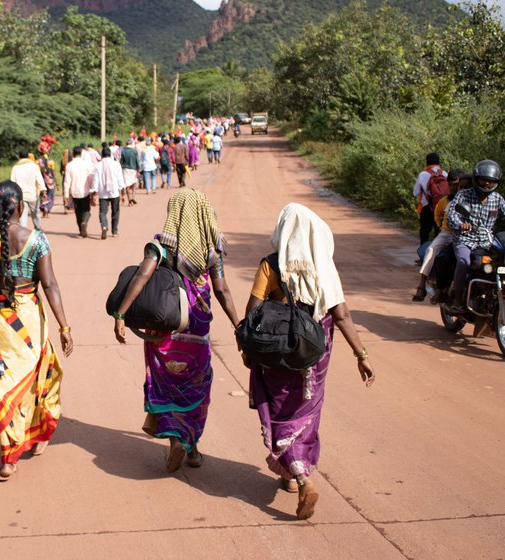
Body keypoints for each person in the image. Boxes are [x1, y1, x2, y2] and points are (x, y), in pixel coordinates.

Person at [242, 203, 375, 520]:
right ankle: (290, 475)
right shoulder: (325, 268)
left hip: (277, 357)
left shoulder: (271, 266)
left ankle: (301, 477)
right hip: (314, 358)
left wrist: (247, 348)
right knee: (305, 412)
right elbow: (341, 315)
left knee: (279, 413)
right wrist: (362, 355)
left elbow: (252, 312)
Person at [113, 189, 241, 473]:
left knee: (166, 384)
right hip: (197, 332)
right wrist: (238, 325)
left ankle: (175, 441)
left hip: (165, 332)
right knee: (195, 385)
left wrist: (121, 314)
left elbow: (143, 275)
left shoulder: (160, 248)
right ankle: (192, 447)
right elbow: (222, 290)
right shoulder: (212, 252)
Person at [0, 181, 73, 481]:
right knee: (40, 374)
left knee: (3, 383)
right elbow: (50, 285)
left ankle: (9, 457)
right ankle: (38, 432)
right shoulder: (37, 240)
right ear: (20, 205)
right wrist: (64, 326)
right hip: (30, 318)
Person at [445, 160, 504, 315]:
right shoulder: (464, 195)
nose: (487, 184)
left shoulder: (498, 199)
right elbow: (451, 215)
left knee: (497, 265)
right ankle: (457, 301)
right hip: (465, 239)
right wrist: (460, 224)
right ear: (476, 179)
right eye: (483, 179)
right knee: (464, 261)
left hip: (487, 243)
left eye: (491, 181)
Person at [413, 169, 467, 302]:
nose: (455, 188)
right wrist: (441, 226)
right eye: (452, 185)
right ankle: (422, 286)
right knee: (431, 250)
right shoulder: (445, 201)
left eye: (458, 185)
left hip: (467, 234)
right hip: (447, 233)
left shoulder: (470, 199)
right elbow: (438, 215)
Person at [412, 153, 447, 251]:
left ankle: (423, 254)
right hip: (441, 207)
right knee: (439, 231)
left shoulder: (423, 174)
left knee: (425, 231)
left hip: (426, 206)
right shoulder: (444, 174)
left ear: (427, 162)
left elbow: (416, 192)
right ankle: (438, 254)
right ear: (439, 162)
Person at [91, 147, 126, 239]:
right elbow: (120, 179)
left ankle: (104, 226)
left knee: (102, 212)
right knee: (115, 211)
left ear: (102, 155)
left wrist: (94, 193)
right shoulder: (116, 164)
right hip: (114, 192)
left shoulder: (98, 165)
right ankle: (114, 231)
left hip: (103, 193)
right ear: (110, 154)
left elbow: (95, 180)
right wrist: (123, 192)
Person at [10, 149, 46, 230]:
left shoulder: (15, 168)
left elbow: (12, 183)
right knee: (36, 213)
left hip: (20, 196)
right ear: (28, 156)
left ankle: (23, 232)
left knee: (22, 215)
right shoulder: (34, 166)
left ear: (19, 157)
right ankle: (38, 229)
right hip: (32, 195)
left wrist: (13, 196)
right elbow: (39, 179)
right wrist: (44, 190)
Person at [63, 146, 95, 238]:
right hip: (85, 191)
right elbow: (90, 178)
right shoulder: (87, 164)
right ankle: (84, 222)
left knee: (78, 212)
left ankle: (81, 230)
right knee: (86, 210)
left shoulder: (69, 165)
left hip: (74, 192)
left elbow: (67, 181)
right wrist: (92, 190)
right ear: (81, 154)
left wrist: (66, 194)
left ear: (73, 154)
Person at [38, 147, 57, 219]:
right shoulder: (51, 162)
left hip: (42, 181)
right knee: (50, 195)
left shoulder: (38, 162)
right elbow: (53, 173)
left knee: (42, 195)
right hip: (50, 182)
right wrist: (57, 183)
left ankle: (44, 208)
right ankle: (47, 209)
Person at [120, 139, 139, 206]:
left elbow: (121, 162)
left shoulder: (123, 151)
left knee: (127, 186)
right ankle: (133, 197)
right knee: (134, 184)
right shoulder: (134, 151)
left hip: (125, 170)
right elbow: (137, 161)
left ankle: (129, 201)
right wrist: (138, 170)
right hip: (133, 169)